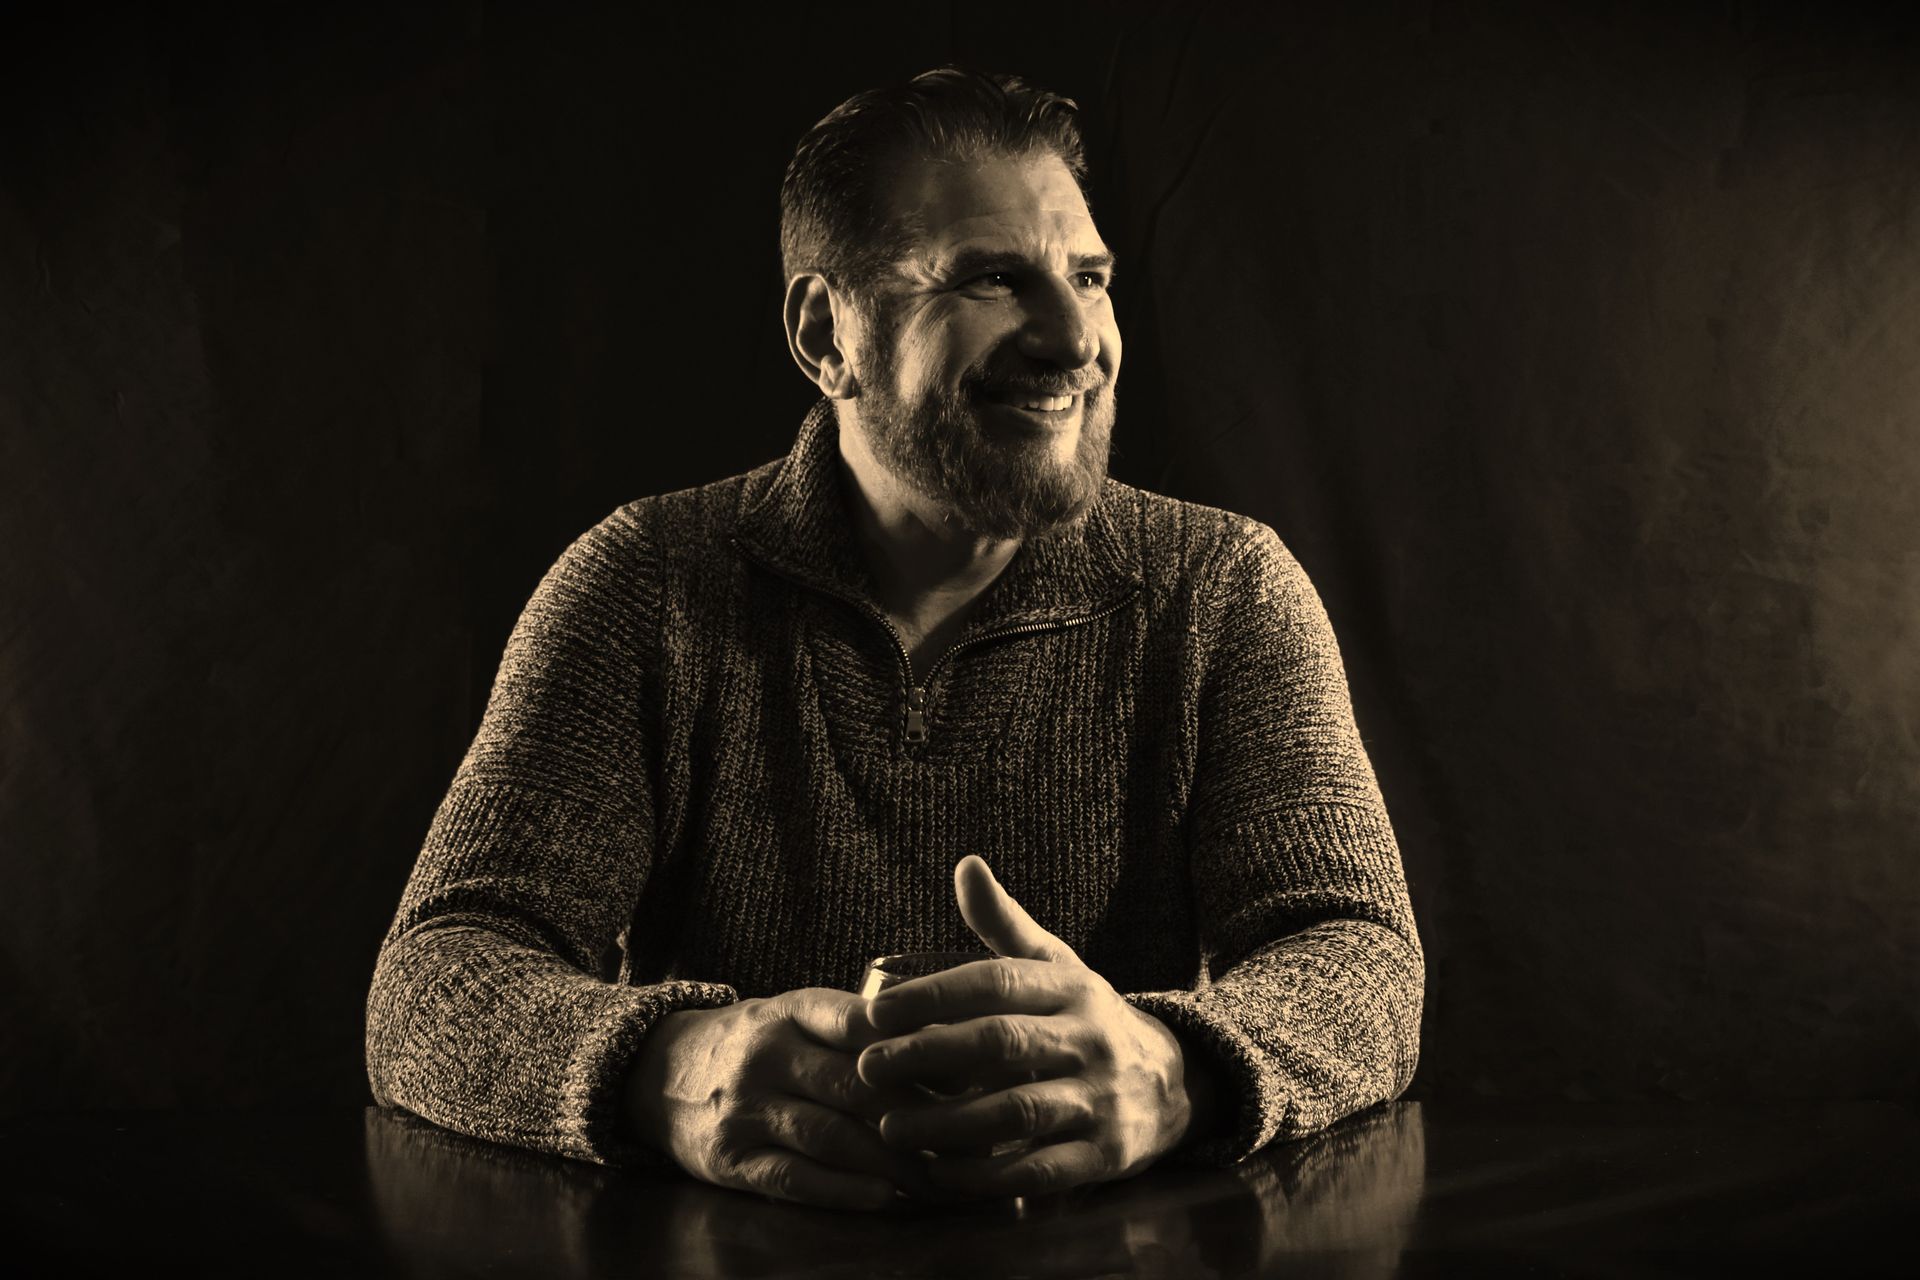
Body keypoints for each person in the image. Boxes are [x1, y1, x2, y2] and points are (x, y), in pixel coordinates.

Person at [365, 67, 1423, 1212]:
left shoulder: (1226, 591)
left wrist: (1177, 1070)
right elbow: (432, 977)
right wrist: (664, 1068)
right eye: (991, 278)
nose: (1075, 339)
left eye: (1091, 277)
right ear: (828, 334)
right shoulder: (643, 584)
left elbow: (1361, 953)